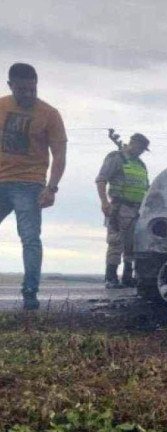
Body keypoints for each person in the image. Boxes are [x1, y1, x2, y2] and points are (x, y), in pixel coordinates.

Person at [0, 63, 67, 310]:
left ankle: (30, 293)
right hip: (1, 181)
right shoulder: (2, 106)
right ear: (11, 85)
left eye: (32, 89)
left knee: (29, 238)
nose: (28, 94)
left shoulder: (49, 114)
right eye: (22, 90)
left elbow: (59, 155)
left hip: (29, 184)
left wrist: (51, 188)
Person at [95, 133, 150, 289]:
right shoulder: (116, 158)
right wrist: (104, 202)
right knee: (116, 242)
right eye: (140, 147)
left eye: (143, 149)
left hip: (137, 210)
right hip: (119, 208)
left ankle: (127, 277)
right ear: (133, 143)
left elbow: (146, 187)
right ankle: (111, 278)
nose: (141, 151)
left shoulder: (140, 164)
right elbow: (101, 180)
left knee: (131, 245)